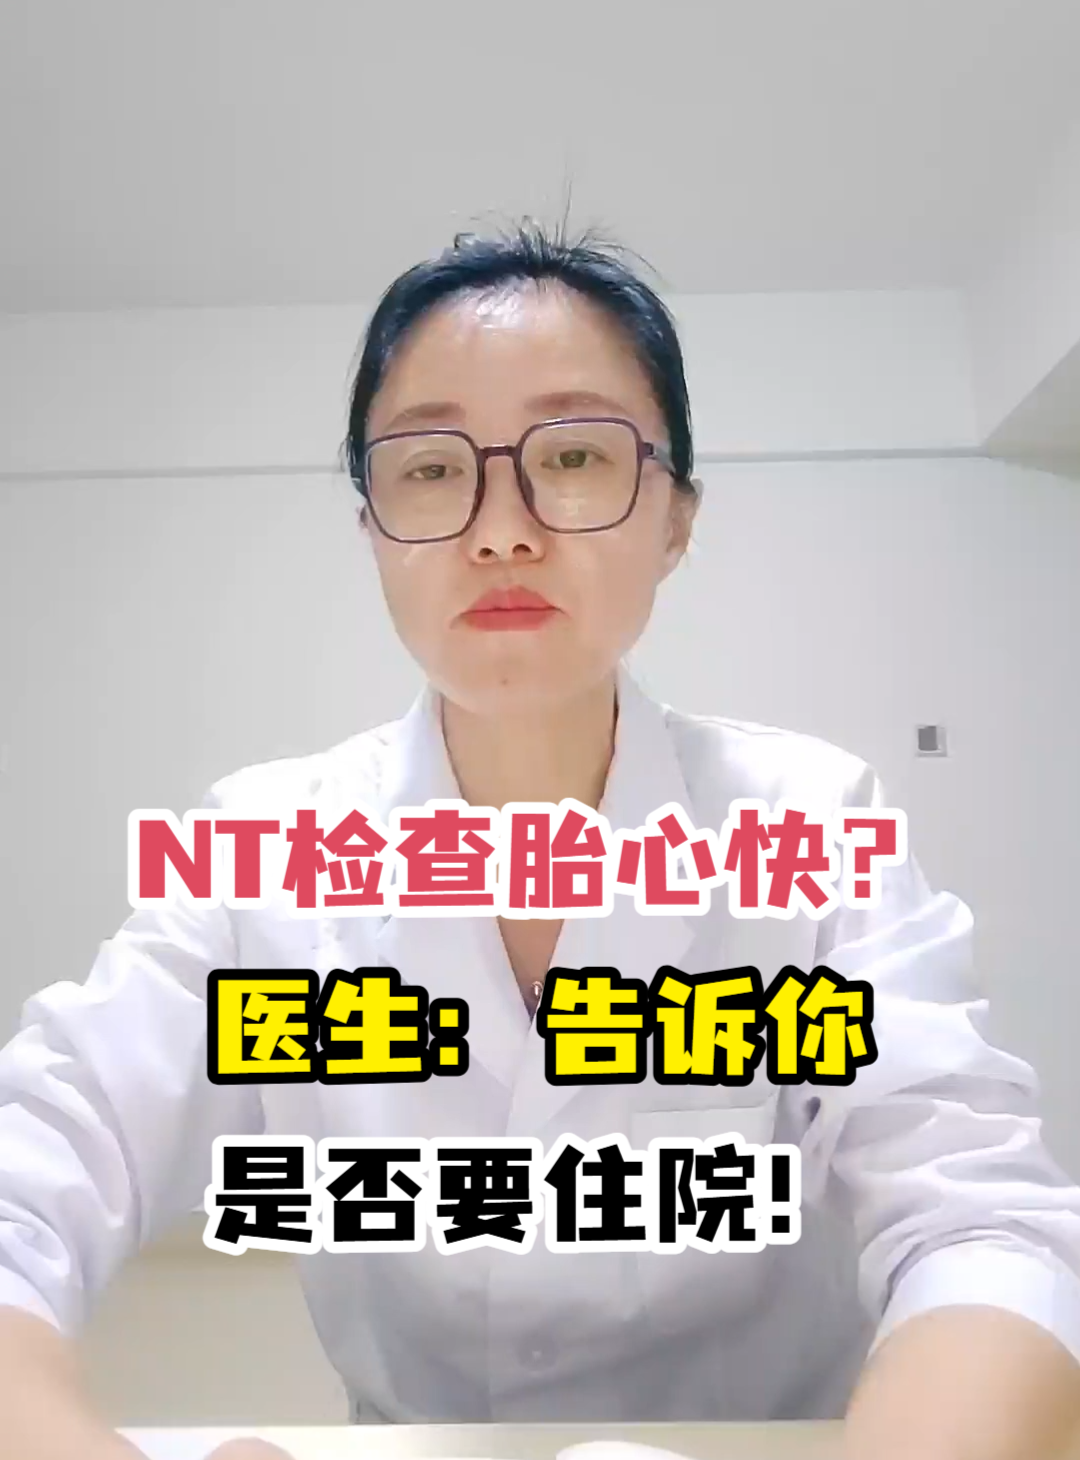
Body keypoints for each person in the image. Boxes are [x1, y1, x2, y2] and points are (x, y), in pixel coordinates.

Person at [2, 223, 1079, 1460]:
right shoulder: (261, 849)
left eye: (573, 455)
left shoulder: (810, 824)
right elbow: (33, 1163)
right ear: (372, 529)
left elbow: (982, 1227)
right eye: (429, 468)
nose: (501, 530)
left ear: (676, 518)